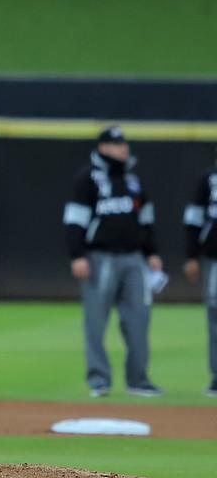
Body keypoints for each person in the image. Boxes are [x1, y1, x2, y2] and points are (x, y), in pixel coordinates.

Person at [63, 126, 164, 398]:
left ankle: (138, 380)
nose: (124, 148)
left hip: (134, 258)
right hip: (100, 257)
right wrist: (77, 255)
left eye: (124, 144)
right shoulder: (87, 179)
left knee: (139, 319)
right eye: (118, 144)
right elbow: (74, 221)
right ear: (103, 148)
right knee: (96, 321)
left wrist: (152, 252)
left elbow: (146, 220)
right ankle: (99, 380)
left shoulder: (133, 180)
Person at [183, 167, 217, 397]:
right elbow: (193, 219)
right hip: (215, 258)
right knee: (215, 316)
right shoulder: (209, 180)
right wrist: (191, 255)